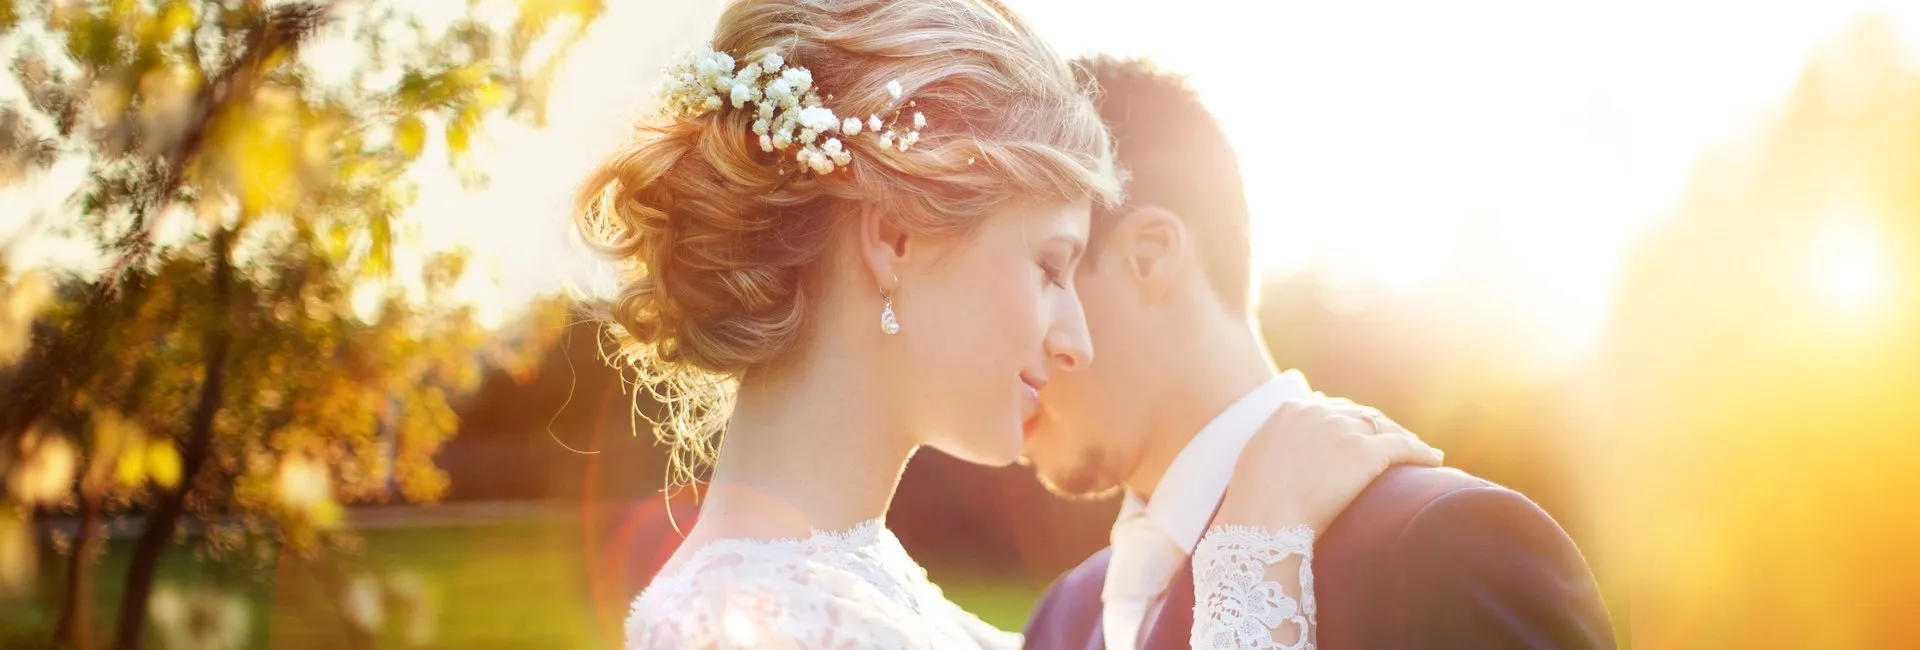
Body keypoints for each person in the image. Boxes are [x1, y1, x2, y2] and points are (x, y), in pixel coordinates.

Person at [578, 2, 1438, 648]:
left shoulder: (878, 596)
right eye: (1049, 267)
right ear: (896, 236)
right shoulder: (745, 625)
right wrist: (1254, 550)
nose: (1077, 340)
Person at [1018, 56, 1618, 649]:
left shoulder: (1444, 542)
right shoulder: (1064, 618)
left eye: (1045, 275)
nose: (1009, 344)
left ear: (1148, 258)